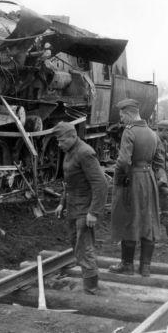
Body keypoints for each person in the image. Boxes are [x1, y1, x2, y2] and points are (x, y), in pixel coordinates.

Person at [53, 121, 108, 293]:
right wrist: (62, 203)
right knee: (75, 243)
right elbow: (69, 182)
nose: (59, 144)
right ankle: (90, 282)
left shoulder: (85, 153)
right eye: (58, 141)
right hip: (73, 206)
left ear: (73, 136)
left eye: (62, 141)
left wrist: (94, 212)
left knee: (84, 247)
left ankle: (91, 288)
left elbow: (101, 183)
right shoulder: (69, 151)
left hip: (85, 209)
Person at [109, 98, 162, 277]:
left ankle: (127, 265)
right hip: (149, 179)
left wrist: (118, 179)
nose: (121, 119)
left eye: (122, 115)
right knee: (148, 219)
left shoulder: (129, 132)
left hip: (132, 179)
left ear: (129, 113)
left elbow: (124, 161)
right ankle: (145, 267)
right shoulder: (152, 133)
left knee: (129, 218)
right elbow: (158, 160)